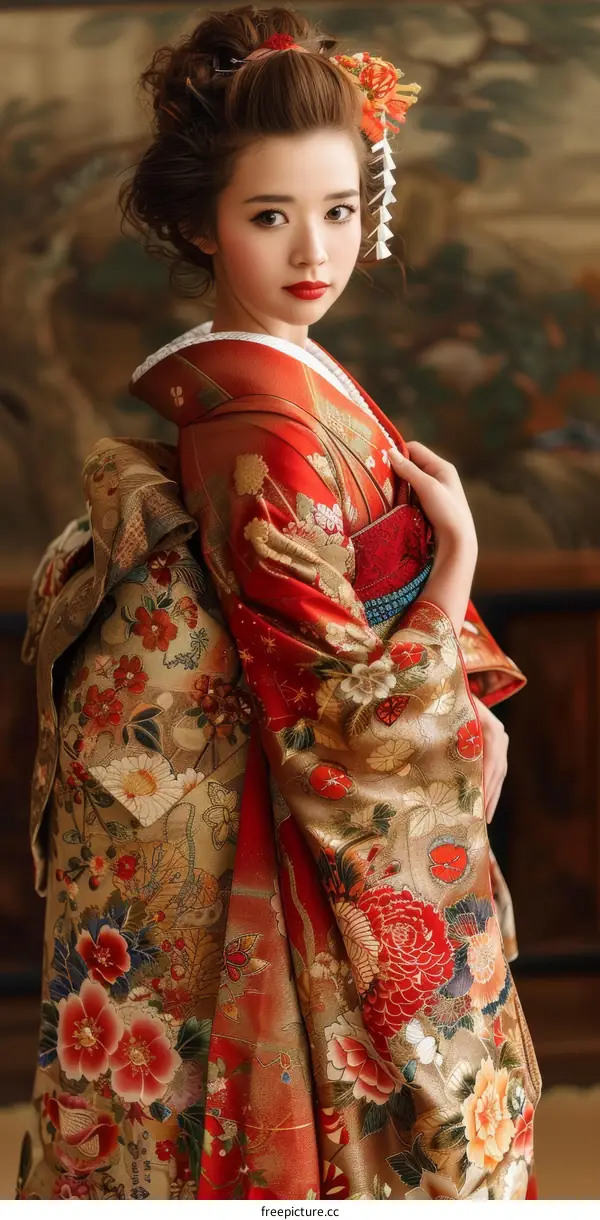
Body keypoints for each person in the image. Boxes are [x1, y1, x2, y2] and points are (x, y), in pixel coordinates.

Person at [18, 5, 540, 1202]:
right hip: (291, 816)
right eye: (270, 216)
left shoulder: (282, 388)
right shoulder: (263, 428)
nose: (317, 248)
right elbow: (344, 726)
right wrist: (452, 567)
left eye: (340, 209)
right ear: (202, 226)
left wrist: (447, 681)